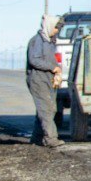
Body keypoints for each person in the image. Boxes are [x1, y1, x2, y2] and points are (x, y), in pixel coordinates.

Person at [26, 15, 64, 148]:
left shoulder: (49, 41)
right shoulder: (37, 41)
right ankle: (51, 139)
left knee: (45, 109)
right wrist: (52, 68)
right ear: (49, 26)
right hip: (38, 80)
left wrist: (57, 71)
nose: (57, 31)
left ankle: (37, 138)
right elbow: (34, 60)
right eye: (55, 28)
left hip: (47, 80)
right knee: (46, 109)